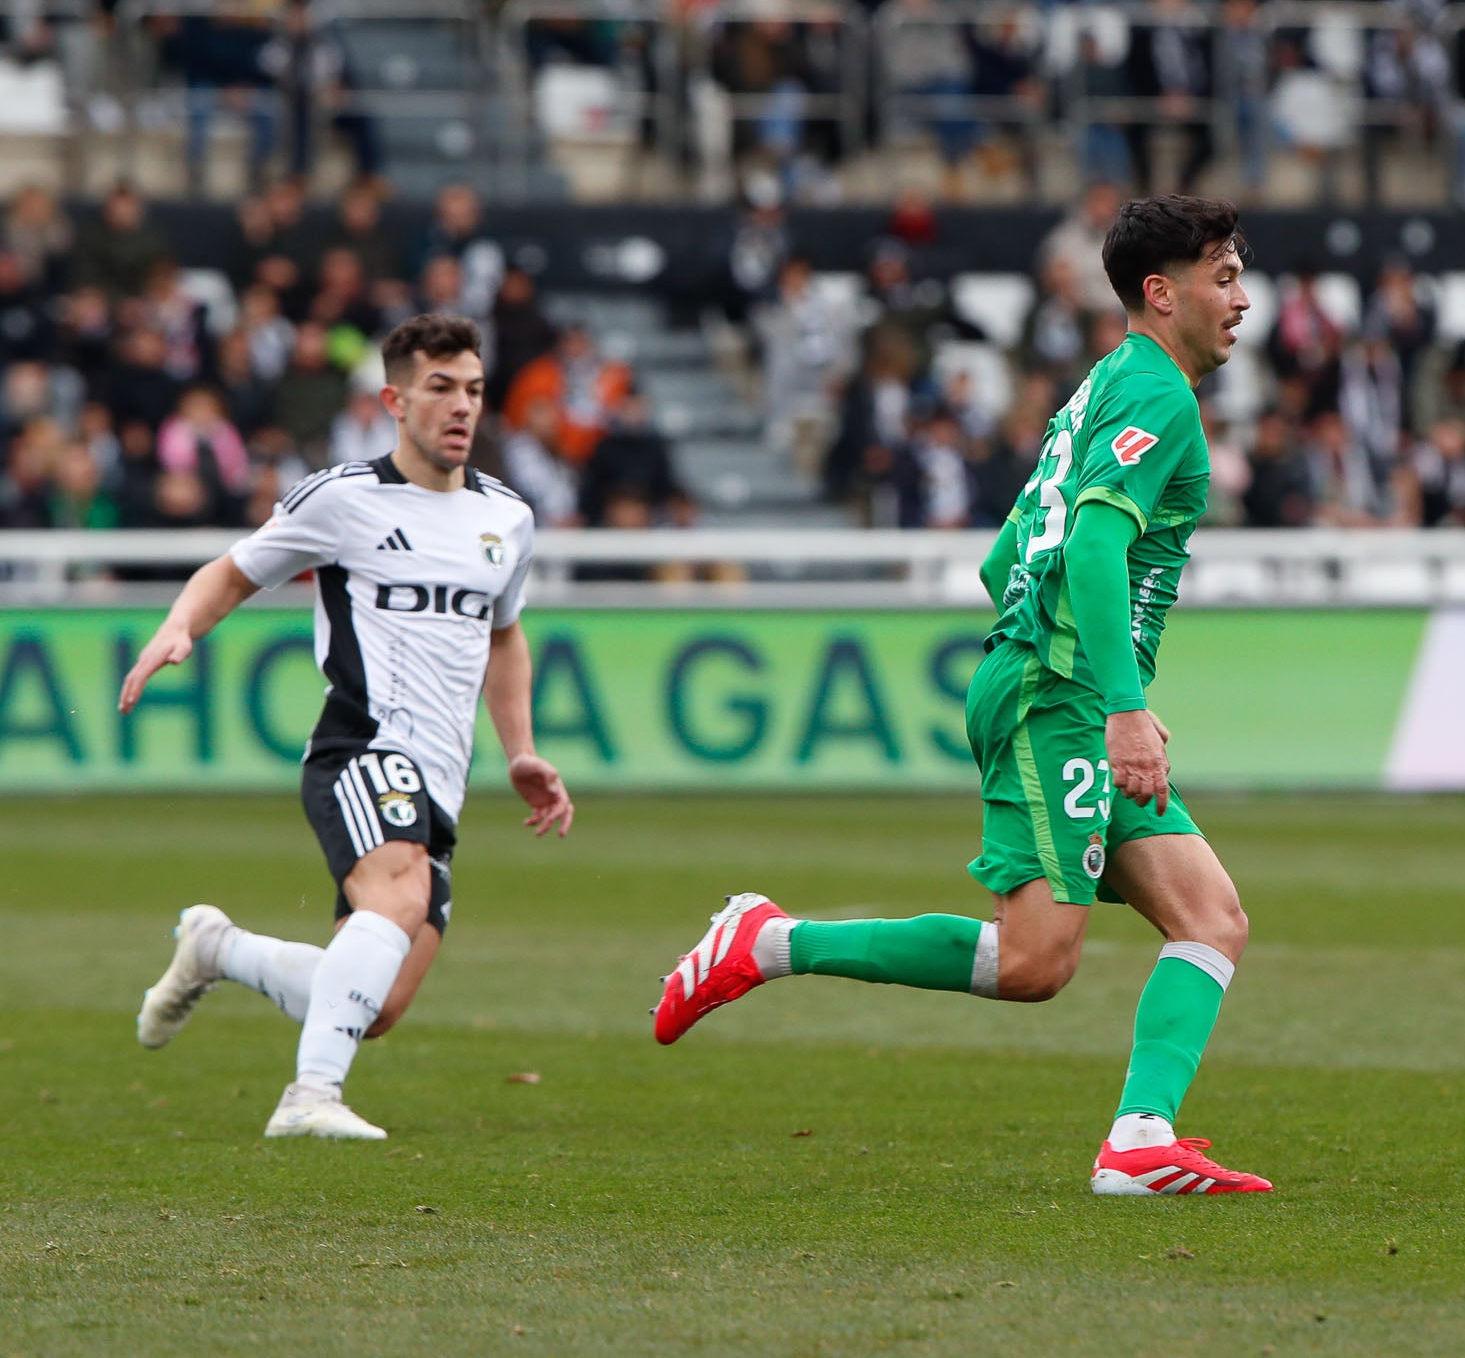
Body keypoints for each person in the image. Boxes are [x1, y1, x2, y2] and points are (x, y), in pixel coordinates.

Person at [651, 196, 1269, 1196]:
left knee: (1211, 917)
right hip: (1059, 698)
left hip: (1053, 682)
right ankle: (765, 941)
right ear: (1161, 295)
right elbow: (1097, 543)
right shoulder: (1155, 398)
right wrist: (1115, 699)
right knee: (1036, 962)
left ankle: (1138, 1139)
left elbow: (1006, 554)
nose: (1241, 299)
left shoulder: (1105, 388)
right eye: (1224, 277)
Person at [121, 314, 574, 1141]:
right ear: (394, 400)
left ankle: (215, 947)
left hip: (443, 774)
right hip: (362, 745)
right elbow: (231, 571)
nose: (461, 406)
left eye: (473, 389)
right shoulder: (344, 498)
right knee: (397, 893)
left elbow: (504, 637)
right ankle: (309, 1096)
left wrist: (522, 751)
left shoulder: (507, 518)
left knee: (374, 1001)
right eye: (440, 388)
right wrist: (180, 625)